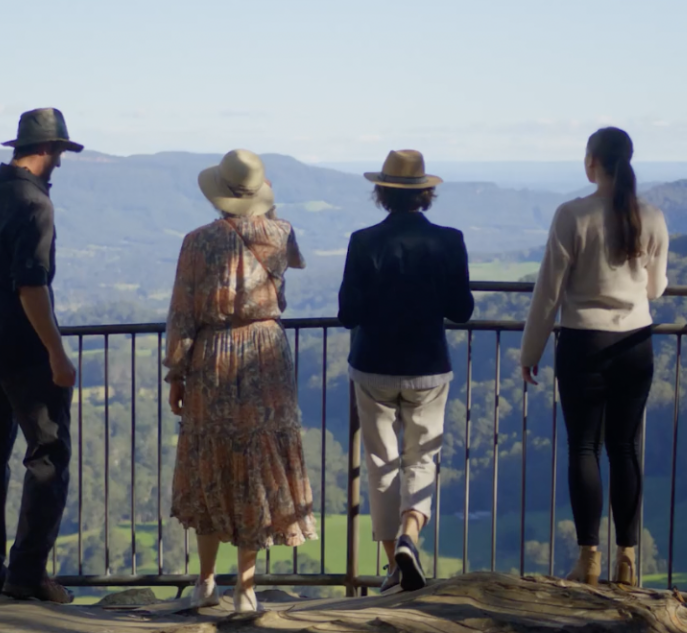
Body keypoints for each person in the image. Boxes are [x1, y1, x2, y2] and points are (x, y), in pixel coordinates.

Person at [163, 149, 318, 614]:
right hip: (267, 356)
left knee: (210, 461)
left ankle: (205, 581)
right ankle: (246, 589)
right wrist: (266, 209)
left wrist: (176, 372)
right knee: (256, 464)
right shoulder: (281, 232)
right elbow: (294, 266)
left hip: (214, 356)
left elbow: (183, 312)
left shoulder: (197, 243)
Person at [519, 126, 668, 587]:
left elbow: (549, 291)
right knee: (625, 448)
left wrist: (531, 350)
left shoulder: (572, 215)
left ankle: (588, 560)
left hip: (583, 343)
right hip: (635, 344)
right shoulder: (651, 217)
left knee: (584, 447)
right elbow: (656, 289)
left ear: (591, 164)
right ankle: (627, 560)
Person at [0, 108, 83, 604]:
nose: (61, 163)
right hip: (25, 354)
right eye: (61, 152)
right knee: (48, 457)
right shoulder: (34, 205)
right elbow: (31, 287)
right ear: (48, 149)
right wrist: (57, 353)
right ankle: (27, 574)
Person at [337, 149, 475, 595]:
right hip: (428, 368)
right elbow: (462, 309)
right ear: (425, 194)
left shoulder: (363, 241)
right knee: (422, 456)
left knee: (381, 461)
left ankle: (393, 569)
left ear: (382, 193)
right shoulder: (449, 241)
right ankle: (409, 536)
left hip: (373, 365)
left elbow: (347, 312)